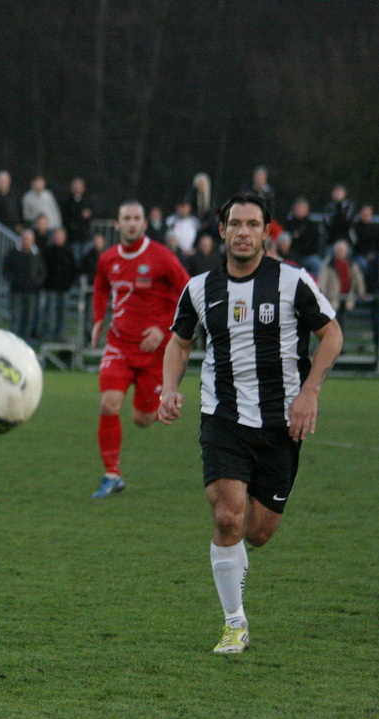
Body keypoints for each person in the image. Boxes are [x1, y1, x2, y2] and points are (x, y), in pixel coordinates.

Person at [158, 193, 342, 654]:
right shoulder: (199, 288)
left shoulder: (293, 282)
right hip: (222, 416)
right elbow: (179, 343)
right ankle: (234, 622)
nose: (243, 232)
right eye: (235, 224)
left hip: (282, 423)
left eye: (253, 224)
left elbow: (332, 334)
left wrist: (310, 392)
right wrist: (168, 389)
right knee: (226, 515)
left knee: (257, 532)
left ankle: (237, 585)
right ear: (222, 231)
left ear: (266, 232)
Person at [90, 200, 189, 498]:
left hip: (154, 354)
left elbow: (188, 292)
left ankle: (162, 405)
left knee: (142, 419)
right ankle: (112, 475)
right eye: (126, 218)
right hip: (119, 345)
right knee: (109, 404)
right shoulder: (108, 259)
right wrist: (98, 319)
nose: (131, 223)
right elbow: (100, 287)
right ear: (117, 224)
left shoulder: (163, 257)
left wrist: (164, 328)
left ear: (144, 223)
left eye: (136, 218)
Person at [2, 229, 45, 341]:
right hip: (16, 290)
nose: (26, 241)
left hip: (31, 291)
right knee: (15, 316)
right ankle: (13, 340)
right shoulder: (13, 253)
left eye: (29, 239)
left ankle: (26, 340)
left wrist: (36, 283)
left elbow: (42, 271)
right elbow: (6, 270)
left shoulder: (36, 254)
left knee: (29, 317)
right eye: (25, 238)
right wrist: (14, 281)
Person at [40, 227, 78, 341]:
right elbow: (43, 269)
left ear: (64, 238)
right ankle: (48, 334)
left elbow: (73, 269)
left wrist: (69, 283)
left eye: (60, 236)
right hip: (50, 287)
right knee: (50, 312)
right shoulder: (47, 252)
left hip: (64, 289)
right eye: (57, 236)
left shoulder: (69, 252)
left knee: (63, 313)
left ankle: (60, 335)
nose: (58, 238)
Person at [317, 239, 367, 319]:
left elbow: (358, 278)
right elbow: (323, 279)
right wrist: (322, 292)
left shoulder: (352, 264)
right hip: (333, 297)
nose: (339, 253)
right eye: (338, 251)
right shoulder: (329, 264)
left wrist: (361, 291)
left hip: (347, 297)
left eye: (342, 251)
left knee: (344, 318)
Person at [282, 196, 322, 275]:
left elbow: (313, 241)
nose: (300, 210)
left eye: (302, 208)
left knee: (318, 265)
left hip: (308, 255)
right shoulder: (289, 224)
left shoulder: (311, 224)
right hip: (292, 256)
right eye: (298, 207)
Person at [61, 176, 94, 248]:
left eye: (79, 186)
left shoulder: (88, 200)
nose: (77, 188)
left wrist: (89, 214)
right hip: (72, 236)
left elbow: (92, 213)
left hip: (85, 235)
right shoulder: (67, 201)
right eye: (75, 185)